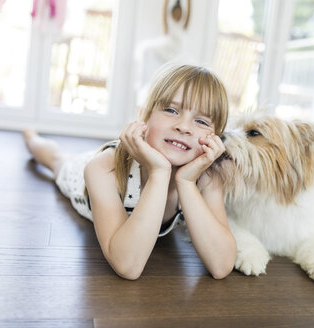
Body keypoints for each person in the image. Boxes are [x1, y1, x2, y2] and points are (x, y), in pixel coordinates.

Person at [23, 64, 236, 280]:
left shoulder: (208, 176)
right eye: (171, 110)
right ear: (145, 116)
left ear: (216, 138)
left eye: (201, 121)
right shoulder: (103, 169)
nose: (184, 127)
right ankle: (32, 137)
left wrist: (187, 182)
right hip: (87, 175)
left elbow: (221, 265)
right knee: (58, 159)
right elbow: (127, 265)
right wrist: (160, 173)